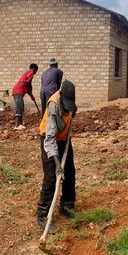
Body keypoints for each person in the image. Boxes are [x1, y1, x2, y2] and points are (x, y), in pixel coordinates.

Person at [36, 80, 77, 233]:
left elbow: (73, 112)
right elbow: (50, 138)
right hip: (49, 138)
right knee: (52, 177)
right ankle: (42, 214)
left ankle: (67, 205)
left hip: (64, 139)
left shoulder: (70, 100)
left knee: (70, 172)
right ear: (61, 96)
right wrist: (57, 163)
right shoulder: (53, 105)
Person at [11, 64, 39, 130]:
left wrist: (32, 97)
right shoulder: (31, 71)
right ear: (34, 69)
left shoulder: (26, 82)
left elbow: (29, 91)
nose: (35, 73)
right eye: (36, 71)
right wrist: (30, 85)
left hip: (17, 91)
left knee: (21, 107)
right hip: (18, 91)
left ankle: (20, 124)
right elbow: (28, 81)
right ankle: (16, 125)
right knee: (19, 107)